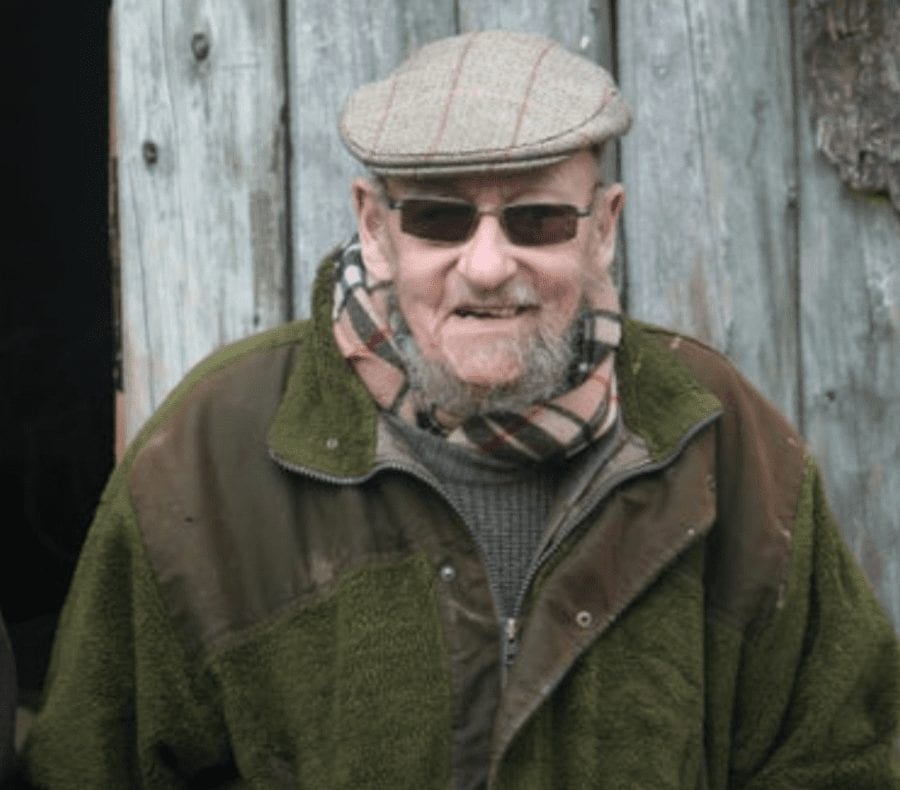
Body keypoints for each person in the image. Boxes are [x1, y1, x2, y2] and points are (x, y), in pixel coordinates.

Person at [17, 29, 899, 789]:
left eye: (538, 221)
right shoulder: (206, 452)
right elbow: (91, 763)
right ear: (374, 226)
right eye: (440, 219)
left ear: (603, 227)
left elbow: (844, 757)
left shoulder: (720, 438)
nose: (486, 265)